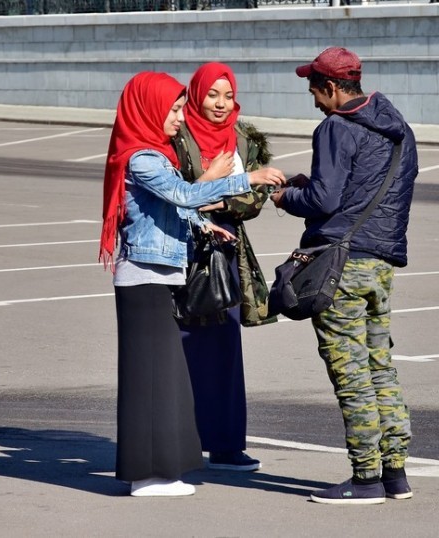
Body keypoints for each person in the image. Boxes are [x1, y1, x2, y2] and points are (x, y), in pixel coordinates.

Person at [100, 71, 285, 497]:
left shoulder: (153, 153)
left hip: (157, 276)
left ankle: (157, 473)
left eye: (182, 109)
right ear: (149, 109)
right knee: (151, 379)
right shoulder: (144, 158)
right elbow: (182, 194)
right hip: (145, 277)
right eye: (173, 109)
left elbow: (172, 207)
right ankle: (148, 477)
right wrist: (248, 178)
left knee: (161, 380)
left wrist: (203, 226)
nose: (179, 118)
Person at [270, 47, 418, 505]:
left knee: (351, 373)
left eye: (315, 90)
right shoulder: (397, 127)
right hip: (381, 263)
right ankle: (395, 473)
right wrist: (310, 187)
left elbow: (325, 200)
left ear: (332, 87)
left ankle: (366, 478)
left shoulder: (336, 127)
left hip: (341, 265)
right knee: (379, 365)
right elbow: (368, 193)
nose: (314, 100)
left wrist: (286, 197)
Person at [173, 62, 274, 472]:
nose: (220, 104)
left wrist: (219, 200)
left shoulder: (245, 139)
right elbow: (169, 189)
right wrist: (211, 189)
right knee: (180, 345)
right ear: (197, 94)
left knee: (224, 346)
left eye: (228, 96)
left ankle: (226, 444)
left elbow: (257, 196)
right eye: (212, 95)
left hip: (224, 249)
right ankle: (178, 440)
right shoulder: (177, 132)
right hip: (180, 245)